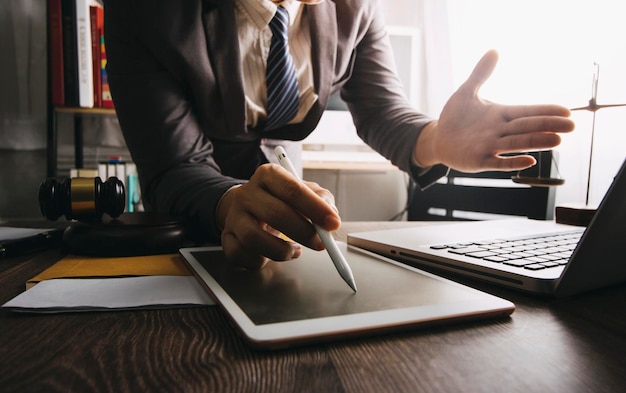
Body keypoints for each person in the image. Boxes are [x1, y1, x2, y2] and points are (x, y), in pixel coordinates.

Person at [104, 0, 575, 269]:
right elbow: (174, 165)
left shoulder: (355, 8)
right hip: (189, 231)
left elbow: (382, 111)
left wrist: (435, 140)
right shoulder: (144, 11)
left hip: (294, 233)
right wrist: (231, 201)